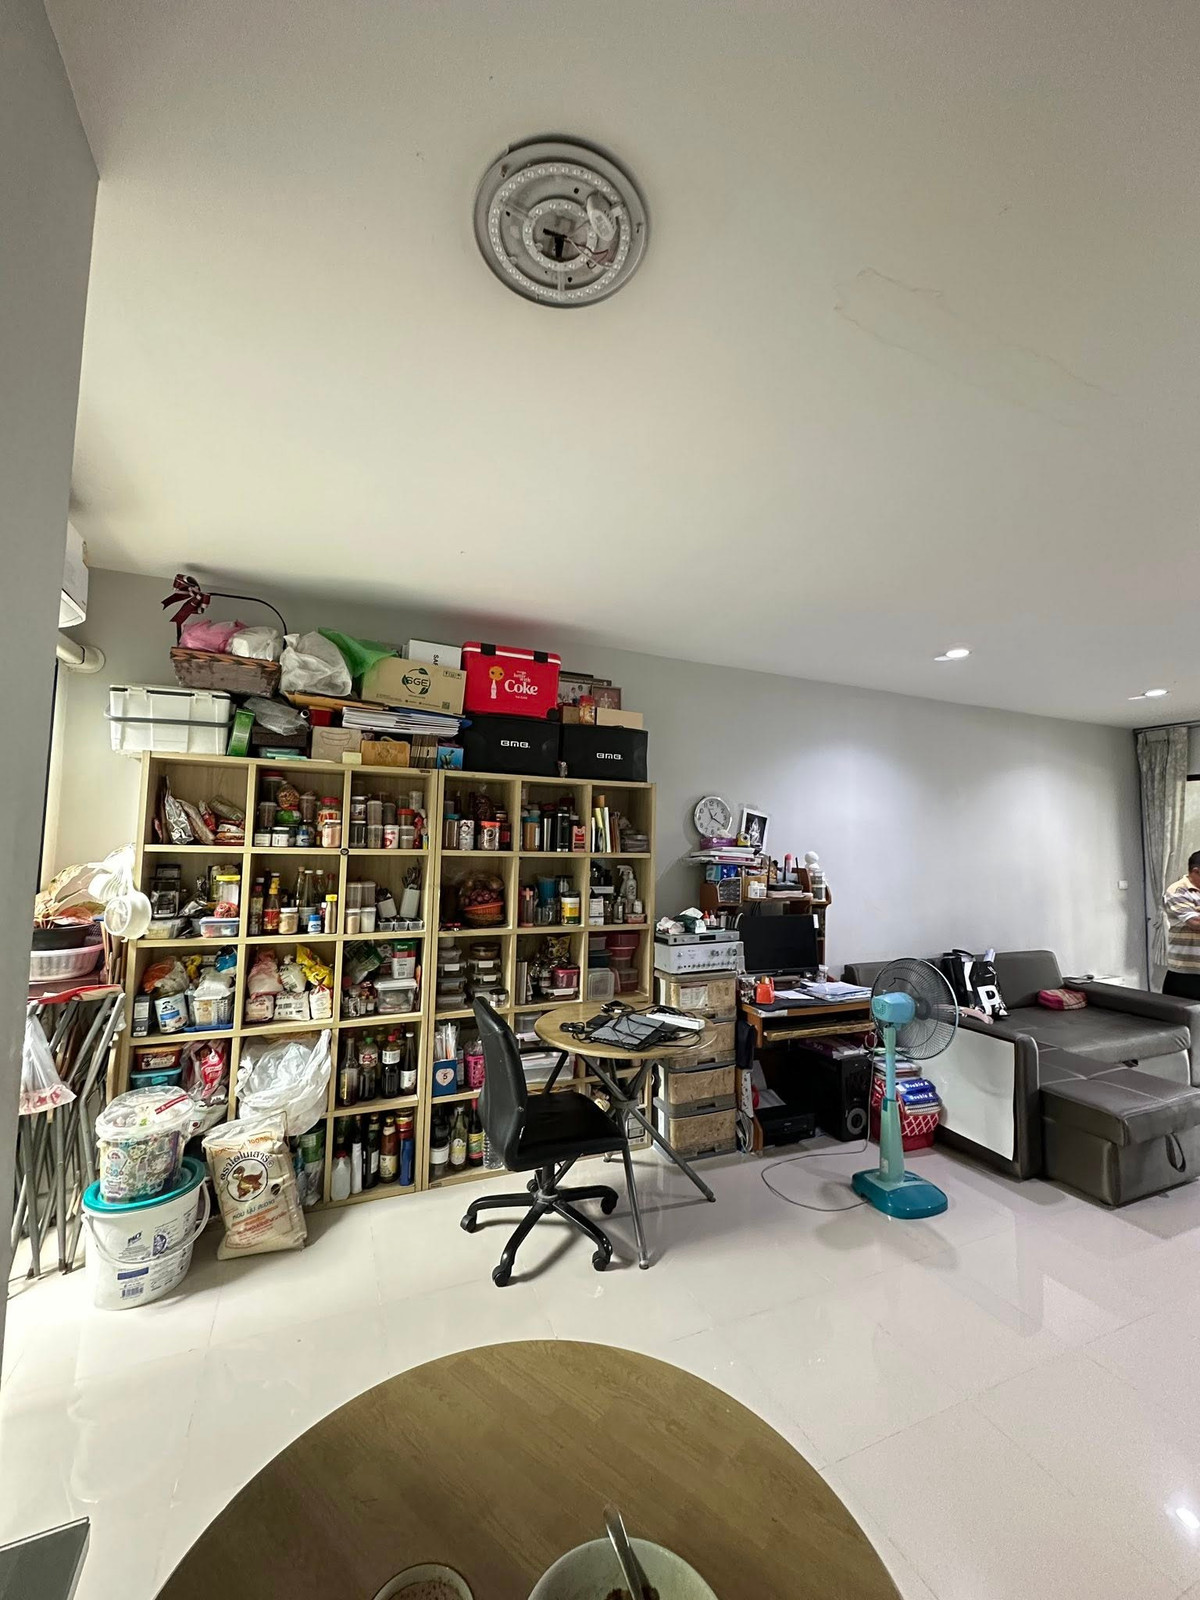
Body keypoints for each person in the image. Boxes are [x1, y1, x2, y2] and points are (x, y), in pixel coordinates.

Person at [1162, 850, 1200, 998]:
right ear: (1195, 871)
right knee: (1185, 1012)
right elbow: (1195, 922)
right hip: (1187, 974)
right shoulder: (1178, 890)